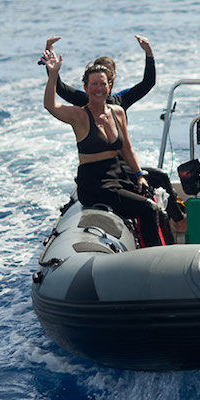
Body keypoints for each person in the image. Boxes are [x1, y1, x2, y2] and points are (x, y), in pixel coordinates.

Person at [41, 47, 163, 247]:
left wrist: (139, 174)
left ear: (110, 85)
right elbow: (50, 105)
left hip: (118, 175)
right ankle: (155, 260)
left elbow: (127, 149)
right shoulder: (79, 116)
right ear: (86, 87)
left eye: (102, 84)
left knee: (154, 195)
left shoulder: (118, 112)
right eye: (94, 84)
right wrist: (53, 74)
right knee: (148, 208)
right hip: (94, 184)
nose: (98, 88)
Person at [43, 35, 155, 113]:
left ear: (114, 77)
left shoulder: (122, 100)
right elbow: (59, 87)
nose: (105, 77)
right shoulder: (84, 100)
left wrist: (149, 53)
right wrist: (50, 60)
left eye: (109, 73)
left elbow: (148, 83)